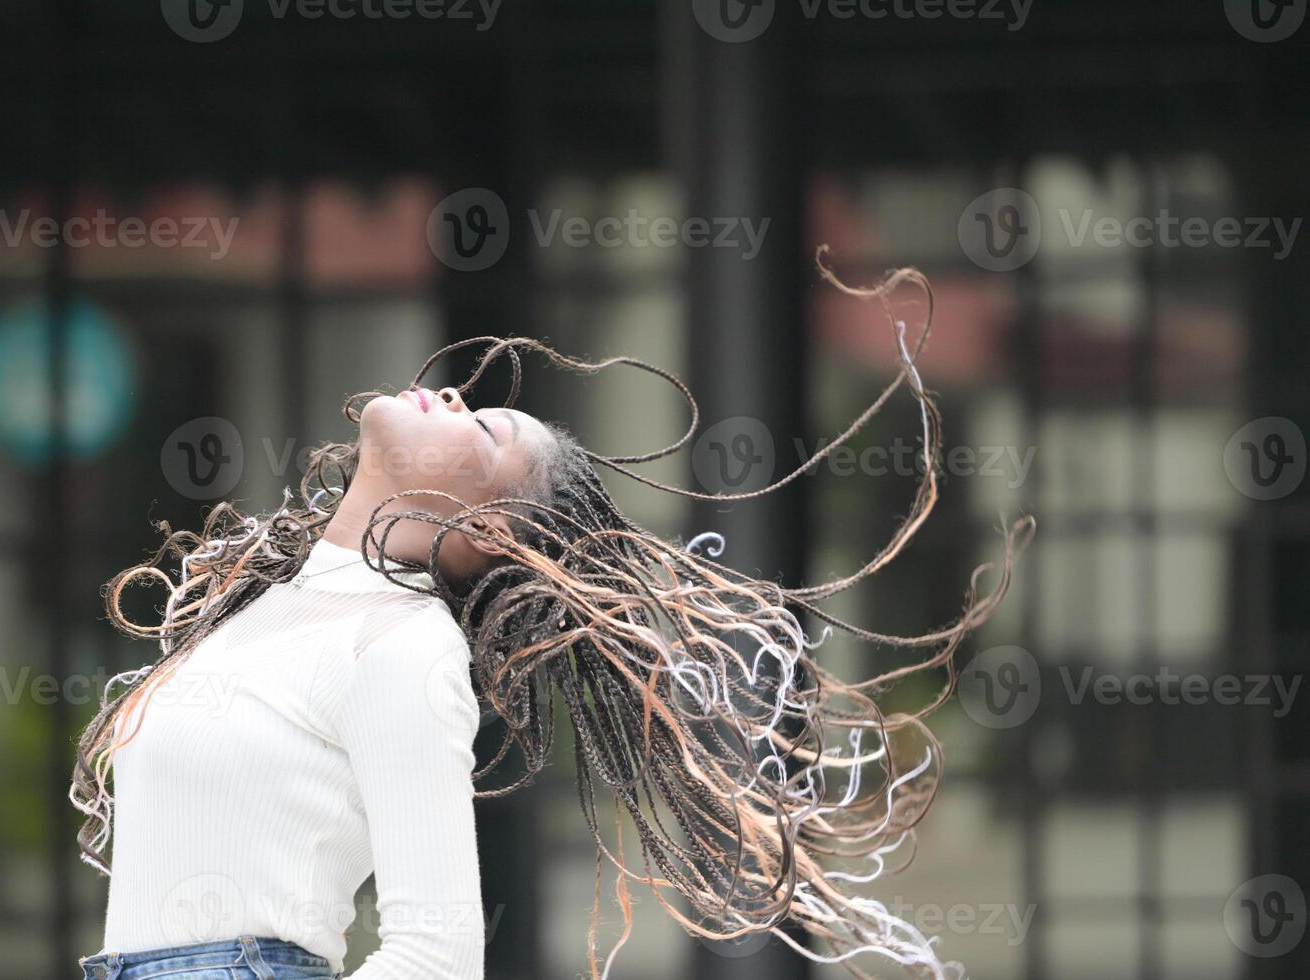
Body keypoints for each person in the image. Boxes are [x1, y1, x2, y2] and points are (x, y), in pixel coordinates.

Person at [70, 260, 1034, 980]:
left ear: (486, 526)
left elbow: (438, 954)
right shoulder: (267, 606)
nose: (452, 394)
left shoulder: (403, 649)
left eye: (483, 429)